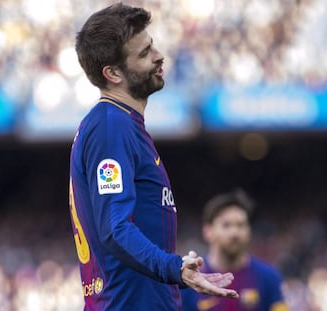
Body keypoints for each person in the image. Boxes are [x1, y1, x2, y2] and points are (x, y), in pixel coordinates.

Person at [69, 3, 239, 310]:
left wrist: (178, 274)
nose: (159, 55)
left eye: (153, 45)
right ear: (113, 73)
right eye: (144, 52)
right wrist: (174, 269)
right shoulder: (111, 125)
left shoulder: (121, 124)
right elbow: (114, 228)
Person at [181, 190, 289, 311]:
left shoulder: (269, 278)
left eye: (241, 225)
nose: (234, 233)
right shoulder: (192, 281)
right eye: (226, 225)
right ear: (208, 231)